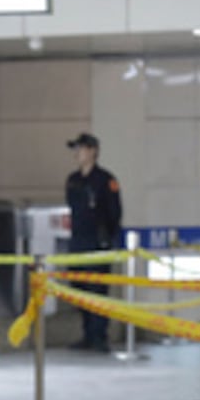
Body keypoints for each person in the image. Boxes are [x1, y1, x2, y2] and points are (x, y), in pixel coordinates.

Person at [65, 132, 122, 353]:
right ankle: (87, 333)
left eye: (80, 149)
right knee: (79, 289)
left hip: (98, 243)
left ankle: (99, 336)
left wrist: (108, 239)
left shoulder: (106, 181)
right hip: (77, 242)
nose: (76, 154)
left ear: (93, 152)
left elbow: (115, 213)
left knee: (97, 290)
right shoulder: (73, 180)